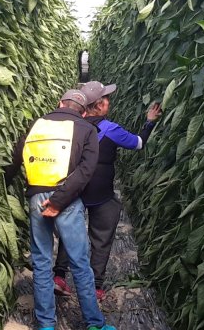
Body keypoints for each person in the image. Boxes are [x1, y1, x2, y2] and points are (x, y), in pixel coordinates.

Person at [5, 87, 117, 330]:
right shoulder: (87, 129)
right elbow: (86, 171)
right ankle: (94, 326)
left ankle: (46, 325)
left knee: (42, 261)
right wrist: (58, 201)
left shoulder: (37, 125)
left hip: (36, 197)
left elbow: (16, 159)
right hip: (67, 200)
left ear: (60, 103)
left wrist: (4, 182)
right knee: (80, 263)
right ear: (84, 111)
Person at [53, 81, 161, 302]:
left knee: (69, 231)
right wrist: (149, 122)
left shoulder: (71, 125)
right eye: (107, 99)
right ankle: (95, 287)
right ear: (100, 105)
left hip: (74, 188)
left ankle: (59, 276)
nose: (109, 102)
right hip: (101, 192)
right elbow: (139, 143)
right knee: (101, 237)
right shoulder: (111, 129)